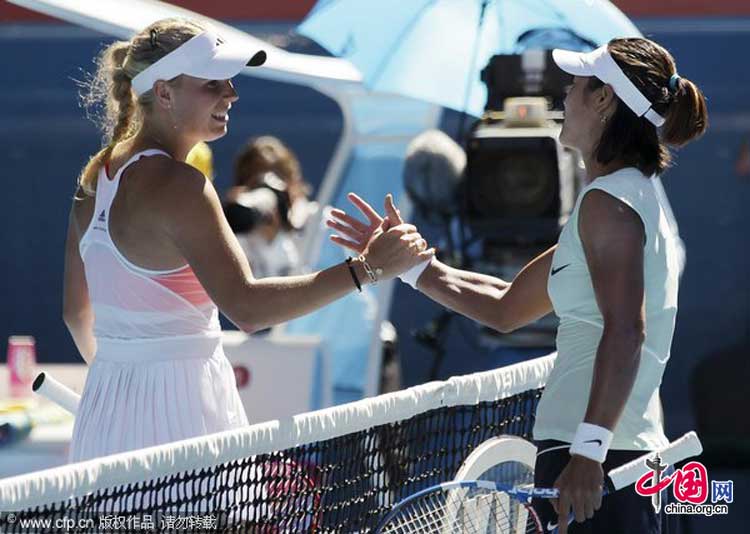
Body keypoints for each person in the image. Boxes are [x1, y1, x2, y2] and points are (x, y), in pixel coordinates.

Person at [327, 37, 707, 533]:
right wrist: (410, 265)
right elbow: (505, 307)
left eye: (575, 85)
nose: (564, 96)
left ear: (603, 100)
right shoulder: (614, 201)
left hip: (597, 464)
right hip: (596, 459)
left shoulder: (610, 205)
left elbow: (626, 332)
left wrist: (588, 453)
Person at [62, 18, 433, 463]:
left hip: (103, 416)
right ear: (163, 92)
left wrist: (120, 379)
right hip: (184, 420)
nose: (231, 94)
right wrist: (367, 268)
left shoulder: (95, 178)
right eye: (212, 83)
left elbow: (75, 313)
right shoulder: (183, 186)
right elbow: (248, 309)